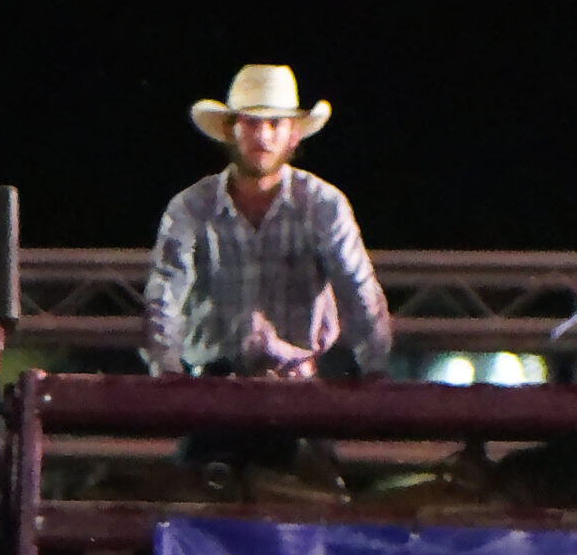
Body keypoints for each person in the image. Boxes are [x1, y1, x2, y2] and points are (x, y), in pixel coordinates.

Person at [143, 64, 391, 381]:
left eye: (275, 123)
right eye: (250, 122)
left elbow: (359, 291)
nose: (263, 135)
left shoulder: (323, 205)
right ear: (231, 130)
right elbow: (164, 296)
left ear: (294, 134)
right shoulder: (190, 207)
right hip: (216, 384)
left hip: (299, 383)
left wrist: (373, 368)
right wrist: (167, 372)